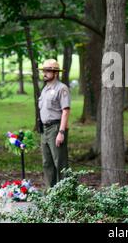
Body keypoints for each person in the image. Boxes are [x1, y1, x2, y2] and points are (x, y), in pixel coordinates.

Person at [38, 59, 71, 188]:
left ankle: (65, 194)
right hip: (45, 129)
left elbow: (66, 111)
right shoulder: (45, 89)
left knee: (60, 163)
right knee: (47, 163)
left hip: (56, 128)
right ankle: (50, 193)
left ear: (55, 73)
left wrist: (61, 132)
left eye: (48, 71)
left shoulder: (61, 88)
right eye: (44, 71)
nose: (44, 73)